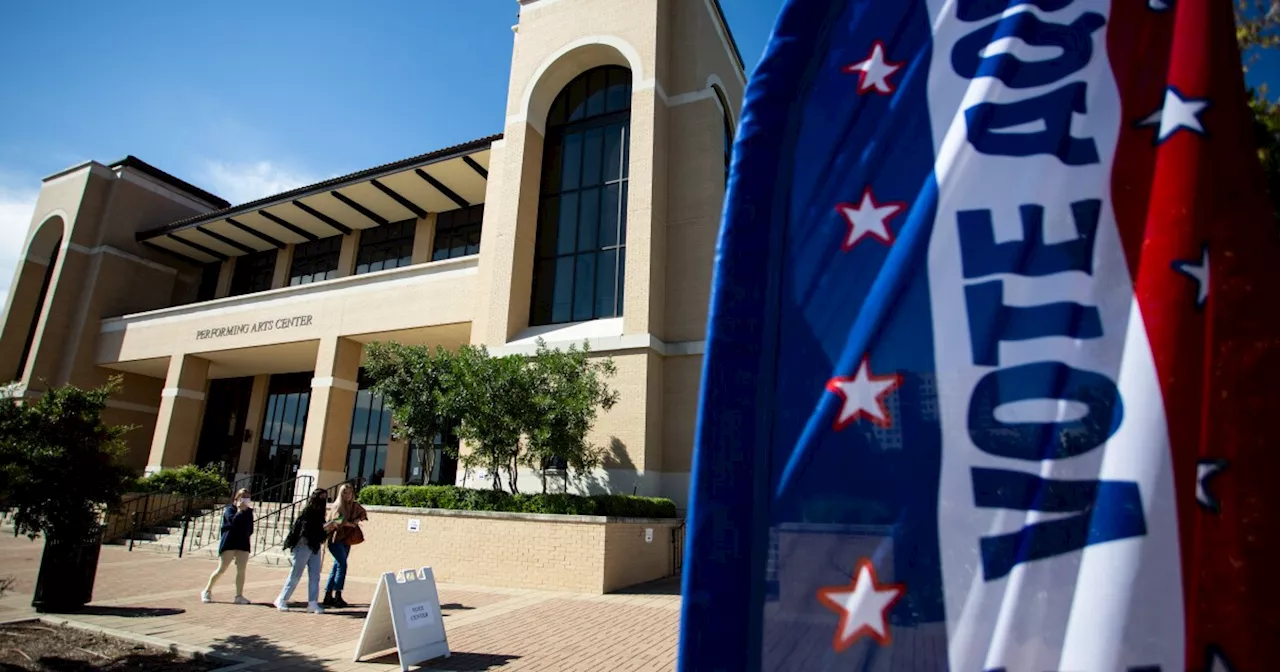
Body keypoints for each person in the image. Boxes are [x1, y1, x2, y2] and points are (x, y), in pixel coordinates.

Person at [275, 488, 332, 614]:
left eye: (324, 498)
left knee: (315, 576)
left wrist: (327, 527)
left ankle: (312, 602)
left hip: (314, 546)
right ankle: (282, 599)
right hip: (303, 545)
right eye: (320, 497)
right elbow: (306, 531)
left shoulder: (320, 515)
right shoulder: (307, 513)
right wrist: (322, 528)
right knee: (296, 574)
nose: (322, 501)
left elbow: (320, 532)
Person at [201, 488, 254, 605]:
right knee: (222, 568)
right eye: (243, 496)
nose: (245, 499)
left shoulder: (249, 511)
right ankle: (207, 590)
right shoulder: (230, 509)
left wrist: (246, 533)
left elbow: (250, 528)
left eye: (247, 496)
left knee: (241, 570)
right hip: (230, 542)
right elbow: (233, 522)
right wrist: (240, 511)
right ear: (237, 498)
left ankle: (239, 596)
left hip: (243, 543)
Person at [323, 483, 368, 608]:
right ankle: (338, 594)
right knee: (342, 565)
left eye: (349, 492)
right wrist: (349, 524)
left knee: (337, 566)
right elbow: (335, 521)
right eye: (344, 493)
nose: (347, 495)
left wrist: (357, 521)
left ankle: (328, 594)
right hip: (335, 540)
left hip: (346, 540)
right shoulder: (338, 506)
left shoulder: (354, 506)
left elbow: (363, 513)